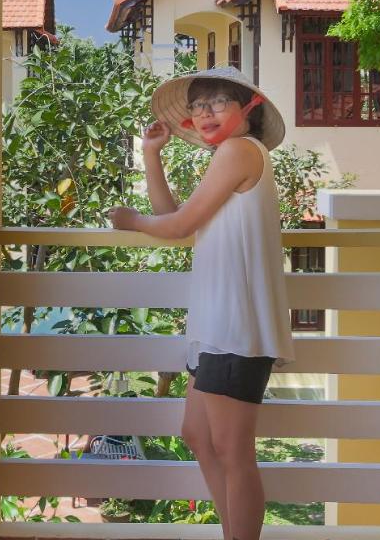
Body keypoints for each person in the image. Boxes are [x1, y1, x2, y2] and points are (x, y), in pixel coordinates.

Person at [107, 66, 293, 540]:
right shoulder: (231, 156)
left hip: (236, 325)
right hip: (215, 323)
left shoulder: (238, 151)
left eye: (217, 102)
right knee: (198, 435)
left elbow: (173, 227)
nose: (205, 112)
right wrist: (152, 155)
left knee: (233, 452)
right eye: (197, 105)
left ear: (248, 109)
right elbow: (174, 219)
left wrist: (131, 221)